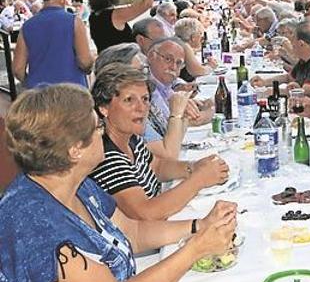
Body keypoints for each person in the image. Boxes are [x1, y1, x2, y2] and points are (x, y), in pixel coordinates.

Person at [0, 83, 237, 282]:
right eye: (96, 127)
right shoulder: (33, 225)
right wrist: (196, 249)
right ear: (75, 149)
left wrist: (200, 225)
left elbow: (132, 232)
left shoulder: (75, 185)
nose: (103, 131)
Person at [89, 64, 229, 220]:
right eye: (129, 100)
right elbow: (146, 212)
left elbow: (157, 166)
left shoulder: (129, 138)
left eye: (145, 99)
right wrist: (199, 179)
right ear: (104, 108)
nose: (141, 108)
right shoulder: (107, 157)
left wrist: (193, 167)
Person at [12, 0, 93, 89]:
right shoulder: (74, 22)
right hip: (73, 92)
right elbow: (85, 61)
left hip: (40, 94)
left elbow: (18, 69)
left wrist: (30, 83)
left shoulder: (27, 26)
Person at [88, 0, 163, 53]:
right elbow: (147, 4)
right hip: (123, 60)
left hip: (107, 59)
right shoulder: (115, 15)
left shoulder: (93, 17)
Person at [175, 17, 216, 82]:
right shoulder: (184, 46)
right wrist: (211, 66)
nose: (202, 38)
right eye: (200, 34)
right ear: (193, 37)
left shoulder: (176, 42)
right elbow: (198, 71)